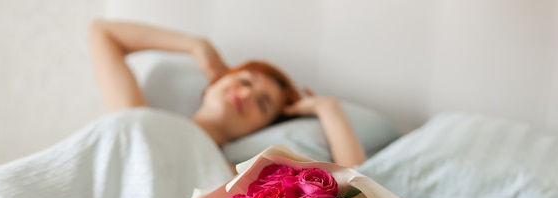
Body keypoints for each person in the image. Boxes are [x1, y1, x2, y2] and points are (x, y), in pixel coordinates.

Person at [89, 19, 366, 168]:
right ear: (216, 81)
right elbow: (102, 32)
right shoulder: (137, 116)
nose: (245, 93)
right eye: (245, 80)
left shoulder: (227, 176)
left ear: (259, 129)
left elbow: (359, 193)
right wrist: (196, 45)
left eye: (263, 102)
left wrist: (328, 108)